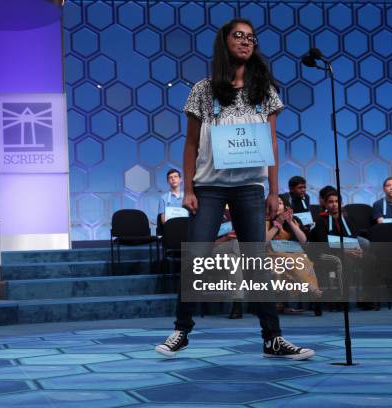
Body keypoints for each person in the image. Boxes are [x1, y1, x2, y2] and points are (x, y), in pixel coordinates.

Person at [155, 18, 314, 360]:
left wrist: (274, 192)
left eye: (251, 38)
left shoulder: (264, 92)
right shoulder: (203, 89)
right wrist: (189, 189)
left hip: (249, 188)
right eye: (238, 36)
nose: (245, 42)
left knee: (257, 260)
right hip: (210, 186)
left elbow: (272, 142)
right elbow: (190, 142)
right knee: (196, 254)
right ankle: (181, 330)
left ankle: (272, 337)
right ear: (224, 42)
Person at [266, 196, 322, 315]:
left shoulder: (294, 220)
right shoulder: (266, 220)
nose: (277, 206)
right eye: (275, 203)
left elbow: (303, 240)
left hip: (293, 254)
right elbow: (264, 240)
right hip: (273, 255)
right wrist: (278, 224)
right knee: (284, 264)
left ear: (285, 207)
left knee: (304, 261)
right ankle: (313, 290)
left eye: (280, 203)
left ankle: (311, 297)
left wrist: (290, 222)